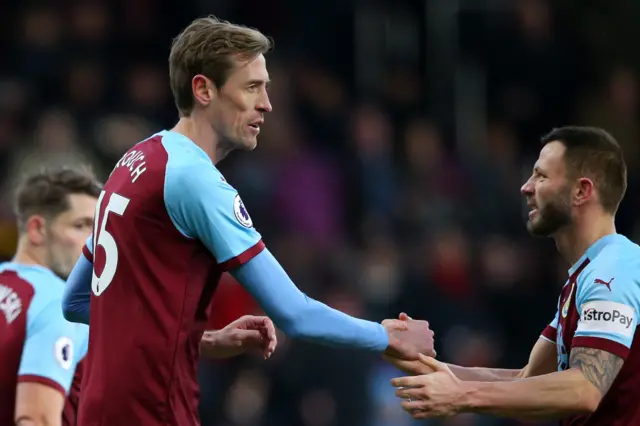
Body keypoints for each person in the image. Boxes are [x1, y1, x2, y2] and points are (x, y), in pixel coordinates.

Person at [62, 16, 435, 426]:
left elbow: (77, 301)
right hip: (153, 413)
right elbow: (295, 313)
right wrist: (389, 338)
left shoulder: (134, 160)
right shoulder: (195, 180)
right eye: (251, 87)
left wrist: (203, 339)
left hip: (100, 411)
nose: (266, 104)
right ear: (203, 89)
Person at [386, 126, 640, 425]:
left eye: (541, 176)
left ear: (581, 191)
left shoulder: (613, 271)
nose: (526, 187)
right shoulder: (585, 276)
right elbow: (526, 379)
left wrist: (462, 397)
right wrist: (416, 362)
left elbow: (584, 389)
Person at [0, 168, 97, 426]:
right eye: (81, 226)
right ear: (37, 229)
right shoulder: (58, 304)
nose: (94, 243)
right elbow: (37, 419)